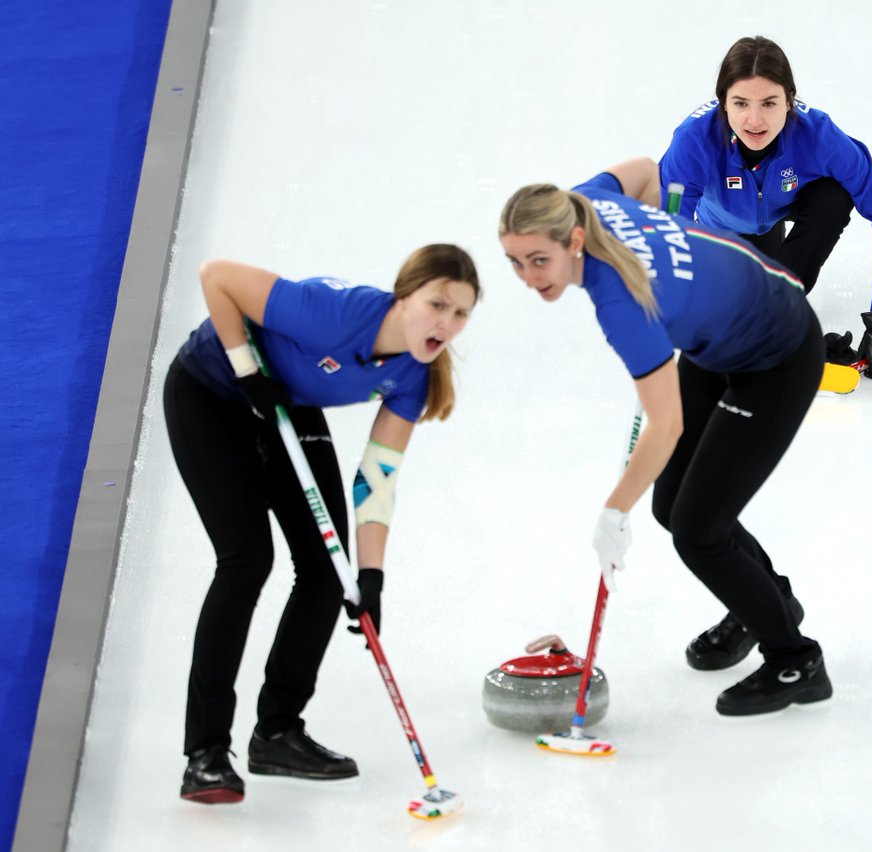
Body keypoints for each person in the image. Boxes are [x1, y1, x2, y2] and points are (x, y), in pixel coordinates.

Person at [499, 158, 831, 717]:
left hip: (780, 353)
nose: (529, 277)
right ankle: (770, 602)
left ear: (574, 239)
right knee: (673, 507)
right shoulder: (580, 200)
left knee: (699, 532)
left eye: (539, 260)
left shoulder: (623, 303)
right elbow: (644, 170)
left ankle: (794, 660)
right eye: (515, 262)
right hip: (716, 341)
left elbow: (665, 425)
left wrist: (612, 512)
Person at [163, 244, 479, 804]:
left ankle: (278, 731)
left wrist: (372, 577)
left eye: (460, 314)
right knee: (246, 561)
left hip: (284, 400)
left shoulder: (414, 377)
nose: (446, 325)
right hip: (212, 391)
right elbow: (218, 278)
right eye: (437, 305)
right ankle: (205, 753)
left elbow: (377, 479)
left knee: (328, 574)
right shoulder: (335, 314)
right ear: (403, 298)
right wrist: (246, 368)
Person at [658, 35, 872, 379]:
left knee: (834, 195)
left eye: (769, 103)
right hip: (723, 231)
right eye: (741, 103)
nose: (755, 120)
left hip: (784, 208)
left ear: (790, 101)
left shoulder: (820, 136)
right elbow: (669, 232)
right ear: (723, 103)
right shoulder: (691, 143)